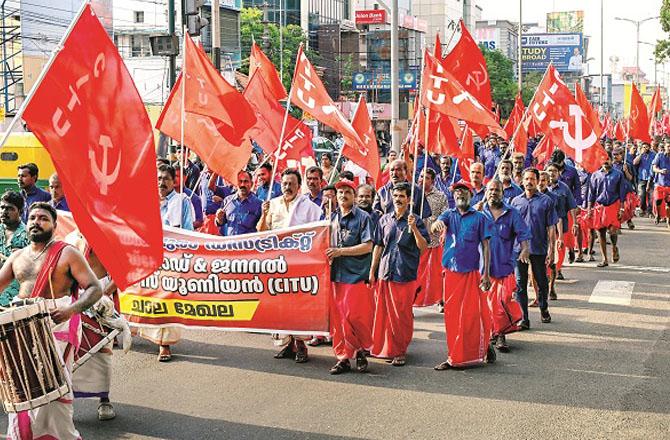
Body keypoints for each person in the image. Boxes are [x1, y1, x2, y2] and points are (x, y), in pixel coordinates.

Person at [0, 203, 102, 440]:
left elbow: (94, 288)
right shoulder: (17, 257)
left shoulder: (67, 253)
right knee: (21, 391)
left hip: (57, 325)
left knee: (54, 393)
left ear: (54, 226)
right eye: (33, 217)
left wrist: (71, 310)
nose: (37, 222)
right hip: (20, 329)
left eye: (44, 218)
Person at [258, 169, 321, 362]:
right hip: (277, 264)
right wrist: (263, 214)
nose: (287, 187)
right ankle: (287, 344)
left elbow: (318, 234)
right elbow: (261, 231)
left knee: (299, 306)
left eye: (292, 183)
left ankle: (301, 344)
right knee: (280, 306)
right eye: (285, 183)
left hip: (300, 266)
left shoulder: (309, 207)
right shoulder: (273, 204)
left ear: (298, 186)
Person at [432, 180, 495, 370]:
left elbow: (486, 245)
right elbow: (438, 222)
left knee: (472, 315)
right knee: (452, 316)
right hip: (451, 273)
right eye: (456, 191)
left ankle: (481, 348)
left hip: (471, 273)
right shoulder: (449, 214)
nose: (459, 194)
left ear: (470, 194)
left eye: (463, 191)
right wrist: (437, 224)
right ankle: (454, 356)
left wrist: (486, 274)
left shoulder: (480, 218)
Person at [369, 182, 429, 366]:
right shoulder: (384, 220)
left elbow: (423, 247)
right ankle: (384, 348)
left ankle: (400, 350)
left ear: (409, 199)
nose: (398, 199)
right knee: (383, 314)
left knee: (401, 315)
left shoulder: (416, 220)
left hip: (405, 272)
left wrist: (415, 229)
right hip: (385, 272)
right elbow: (378, 245)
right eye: (395, 196)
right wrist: (372, 271)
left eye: (402, 196)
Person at [139, 164, 193, 362]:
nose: (161, 182)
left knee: (167, 301)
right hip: (148, 259)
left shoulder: (182, 202)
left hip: (172, 261)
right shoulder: (146, 200)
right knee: (148, 298)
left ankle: (165, 345)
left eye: (166, 179)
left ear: (174, 181)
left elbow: (188, 232)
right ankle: (143, 334)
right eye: (159, 178)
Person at [71, 234, 129, 421]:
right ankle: (65, 400)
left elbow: (120, 273)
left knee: (103, 351)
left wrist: (101, 295)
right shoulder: (71, 239)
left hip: (103, 301)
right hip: (75, 299)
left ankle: (104, 400)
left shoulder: (108, 239)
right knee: (71, 350)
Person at [327, 179, 374, 375]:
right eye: (340, 193)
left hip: (356, 274)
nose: (343, 195)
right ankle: (343, 357)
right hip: (335, 275)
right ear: (336, 197)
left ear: (354, 196)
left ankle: (362, 350)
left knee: (356, 316)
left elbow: (368, 246)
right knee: (338, 319)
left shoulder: (363, 218)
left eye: (347, 192)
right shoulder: (331, 218)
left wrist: (341, 252)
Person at [481, 180, 531, 352]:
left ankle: (501, 334)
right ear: (486, 192)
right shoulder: (479, 212)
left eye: (497, 190)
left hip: (504, 267)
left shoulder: (512, 213)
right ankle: (493, 334)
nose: (493, 193)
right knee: (487, 305)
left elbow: (523, 234)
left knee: (502, 302)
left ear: (503, 193)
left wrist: (524, 249)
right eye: (491, 190)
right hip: (483, 270)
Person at [511, 168, 558, 328]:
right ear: (522, 181)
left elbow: (551, 227)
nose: (529, 182)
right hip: (519, 249)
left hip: (538, 248)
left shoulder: (546, 201)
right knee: (520, 283)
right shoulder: (515, 202)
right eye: (527, 179)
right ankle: (524, 318)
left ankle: (544, 308)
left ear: (537, 181)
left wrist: (552, 249)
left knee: (542, 281)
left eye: (532, 179)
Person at [414, 168, 448, 308]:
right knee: (415, 274)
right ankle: (412, 300)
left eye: (426, 177)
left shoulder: (440, 196)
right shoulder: (412, 194)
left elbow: (445, 214)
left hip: (434, 240)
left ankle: (440, 300)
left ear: (433, 181)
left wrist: (440, 224)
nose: (422, 179)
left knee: (437, 274)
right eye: (421, 176)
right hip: (416, 240)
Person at [588, 159, 627, 267]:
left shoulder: (618, 174)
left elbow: (622, 192)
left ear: (611, 161)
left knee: (613, 231)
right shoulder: (595, 175)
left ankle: (614, 247)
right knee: (600, 232)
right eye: (603, 159)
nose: (605, 161)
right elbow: (591, 193)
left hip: (613, 205)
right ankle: (604, 259)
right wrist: (589, 208)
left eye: (607, 159)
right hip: (599, 206)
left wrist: (622, 208)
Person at [0, 191, 29, 306]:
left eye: (10, 208)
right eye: (2, 207)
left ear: (20, 212)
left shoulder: (29, 235)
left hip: (15, 297)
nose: (4, 212)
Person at [215, 170, 262, 236]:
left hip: (249, 244)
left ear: (251, 184)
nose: (242, 185)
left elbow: (262, 228)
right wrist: (218, 218)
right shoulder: (227, 201)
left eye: (246, 181)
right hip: (229, 243)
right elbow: (220, 223)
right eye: (240, 181)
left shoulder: (259, 204)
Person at [633, 141, 655, 217]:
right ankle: (643, 209)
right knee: (642, 194)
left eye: (647, 147)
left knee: (651, 195)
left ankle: (650, 211)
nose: (645, 148)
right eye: (644, 147)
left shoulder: (654, 154)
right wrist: (641, 154)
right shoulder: (639, 154)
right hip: (642, 177)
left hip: (651, 177)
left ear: (649, 147)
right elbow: (635, 163)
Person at [651, 141, 670, 227]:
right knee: (658, 200)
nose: (669, 148)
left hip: (669, 184)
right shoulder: (659, 155)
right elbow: (654, 168)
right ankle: (658, 215)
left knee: (668, 203)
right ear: (665, 147)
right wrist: (660, 171)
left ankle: (668, 220)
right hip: (660, 182)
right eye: (668, 146)